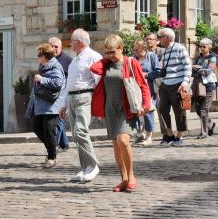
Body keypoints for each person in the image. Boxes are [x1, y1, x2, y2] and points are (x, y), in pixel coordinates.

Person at [90, 34, 150, 192]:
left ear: (121, 49)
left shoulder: (131, 62)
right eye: (107, 52)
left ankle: (131, 176)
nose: (110, 55)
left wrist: (146, 104)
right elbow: (94, 68)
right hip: (110, 109)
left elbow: (143, 85)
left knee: (123, 141)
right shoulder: (107, 65)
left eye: (113, 52)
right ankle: (123, 179)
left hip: (126, 108)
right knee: (116, 145)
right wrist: (106, 59)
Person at [58, 28, 102, 182]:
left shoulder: (93, 57)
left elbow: (99, 81)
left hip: (84, 96)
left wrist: (97, 101)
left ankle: (93, 165)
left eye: (72, 40)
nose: (69, 43)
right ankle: (86, 169)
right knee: (76, 135)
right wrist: (63, 105)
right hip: (72, 98)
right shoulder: (75, 59)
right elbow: (68, 85)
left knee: (81, 131)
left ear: (79, 42)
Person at [30, 43, 65, 168]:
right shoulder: (43, 66)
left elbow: (58, 83)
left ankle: (52, 157)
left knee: (49, 132)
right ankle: (52, 148)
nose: (38, 57)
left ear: (44, 56)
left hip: (52, 106)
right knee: (37, 128)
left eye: (39, 54)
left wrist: (42, 79)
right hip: (41, 105)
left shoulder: (55, 66)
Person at [157, 27, 192, 147]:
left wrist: (185, 82)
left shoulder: (180, 48)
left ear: (167, 38)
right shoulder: (165, 50)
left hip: (178, 84)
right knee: (162, 109)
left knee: (179, 110)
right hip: (166, 84)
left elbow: (188, 65)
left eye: (160, 36)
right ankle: (170, 134)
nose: (158, 39)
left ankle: (179, 136)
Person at [131, 39, 160, 145]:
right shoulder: (133, 58)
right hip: (135, 88)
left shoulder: (151, 56)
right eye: (134, 50)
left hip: (148, 88)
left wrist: (146, 75)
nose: (135, 52)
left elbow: (158, 71)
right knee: (136, 111)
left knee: (148, 111)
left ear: (143, 48)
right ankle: (139, 134)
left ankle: (149, 136)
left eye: (136, 50)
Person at [191, 38, 217, 139]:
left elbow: (209, 71)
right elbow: (193, 73)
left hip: (209, 86)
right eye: (200, 46)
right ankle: (210, 123)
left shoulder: (213, 57)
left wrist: (199, 69)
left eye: (204, 46)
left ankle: (204, 132)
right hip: (198, 86)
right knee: (197, 109)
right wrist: (194, 69)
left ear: (210, 47)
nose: (201, 48)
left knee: (203, 109)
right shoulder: (197, 58)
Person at [48, 36, 71, 151]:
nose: (53, 49)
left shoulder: (67, 60)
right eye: (51, 46)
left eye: (56, 47)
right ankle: (64, 143)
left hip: (62, 95)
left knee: (58, 120)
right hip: (51, 95)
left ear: (61, 48)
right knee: (57, 120)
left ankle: (55, 145)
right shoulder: (46, 59)